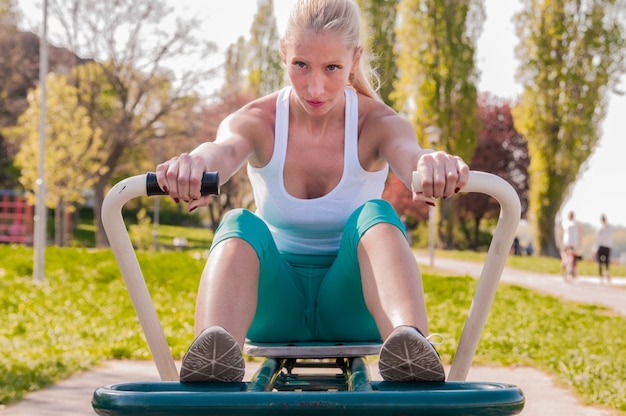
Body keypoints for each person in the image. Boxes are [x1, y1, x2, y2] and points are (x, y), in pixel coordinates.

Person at [156, 0, 469, 384]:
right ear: (283, 54)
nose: (315, 86)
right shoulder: (259, 120)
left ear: (355, 60)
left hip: (356, 309)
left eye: (332, 68)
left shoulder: (378, 122)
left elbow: (410, 155)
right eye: (300, 65)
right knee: (239, 222)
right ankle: (212, 354)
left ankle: (409, 343)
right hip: (272, 308)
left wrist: (430, 164)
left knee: (377, 214)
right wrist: (196, 164)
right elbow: (222, 149)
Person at [559, 210, 582, 278]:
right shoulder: (576, 223)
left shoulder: (565, 222)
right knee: (573, 256)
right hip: (574, 242)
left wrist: (560, 239)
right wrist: (580, 240)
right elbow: (580, 232)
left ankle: (565, 262)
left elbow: (561, 232)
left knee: (565, 254)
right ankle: (573, 270)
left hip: (567, 242)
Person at [593, 214, 614, 284]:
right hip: (608, 246)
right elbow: (611, 238)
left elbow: (597, 239)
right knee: (607, 261)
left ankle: (600, 276)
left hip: (601, 246)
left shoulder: (600, 228)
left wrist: (595, 248)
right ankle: (607, 271)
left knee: (599, 261)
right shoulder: (610, 228)